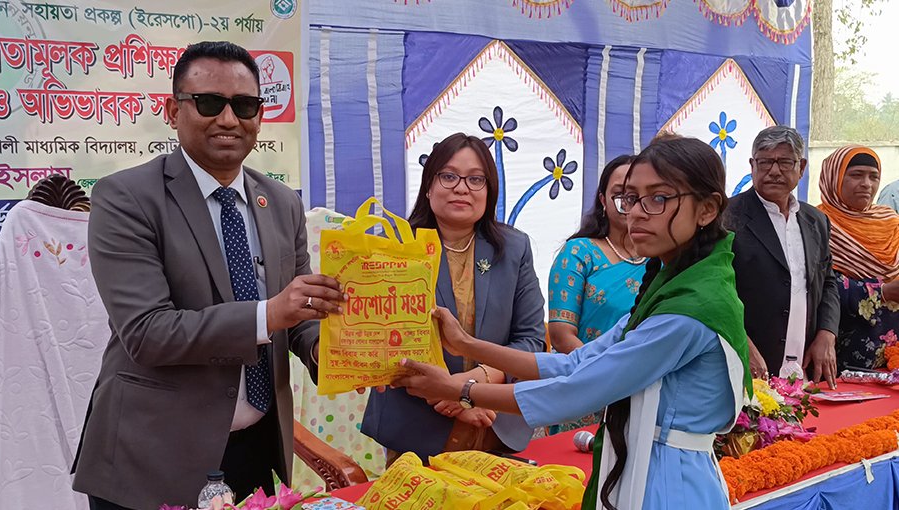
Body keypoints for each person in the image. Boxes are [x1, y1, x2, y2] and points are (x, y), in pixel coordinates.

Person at [393, 137, 751, 510]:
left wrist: (460, 389)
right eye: (630, 198)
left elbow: (577, 387)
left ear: (707, 209)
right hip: (642, 466)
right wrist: (466, 344)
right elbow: (574, 362)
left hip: (668, 484)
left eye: (658, 198)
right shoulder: (673, 287)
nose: (637, 213)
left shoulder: (689, 307)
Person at [72, 42, 345, 510]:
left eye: (244, 105)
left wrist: (337, 353)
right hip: (153, 456)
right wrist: (269, 314)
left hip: (257, 451)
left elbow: (298, 317)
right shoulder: (126, 197)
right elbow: (147, 332)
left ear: (260, 115)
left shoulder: (282, 202)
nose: (228, 119)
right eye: (209, 103)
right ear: (172, 110)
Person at [361, 133, 546, 463]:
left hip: (494, 423)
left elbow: (531, 340)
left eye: (475, 179)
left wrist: (472, 386)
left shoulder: (515, 248)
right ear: (428, 186)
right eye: (449, 176)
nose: (462, 188)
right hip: (416, 430)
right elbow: (383, 345)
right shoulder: (395, 247)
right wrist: (449, 397)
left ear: (489, 191)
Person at [724, 126, 840, 386]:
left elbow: (828, 281)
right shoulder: (726, 218)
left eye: (785, 162)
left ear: (801, 167)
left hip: (805, 369)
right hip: (746, 367)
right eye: (765, 162)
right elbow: (714, 291)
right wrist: (740, 343)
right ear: (752, 165)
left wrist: (827, 332)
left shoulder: (816, 220)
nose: (774, 171)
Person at [547, 155, 645, 433]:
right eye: (620, 195)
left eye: (638, 196)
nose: (629, 204)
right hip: (586, 389)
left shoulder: (663, 260)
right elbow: (561, 335)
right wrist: (605, 376)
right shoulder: (579, 253)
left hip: (645, 390)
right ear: (603, 200)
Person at [817, 146, 899, 370]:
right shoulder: (816, 223)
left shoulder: (890, 221)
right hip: (840, 353)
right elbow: (818, 285)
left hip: (892, 357)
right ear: (833, 178)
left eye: (874, 177)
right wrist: (882, 291)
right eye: (856, 175)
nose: (866, 184)